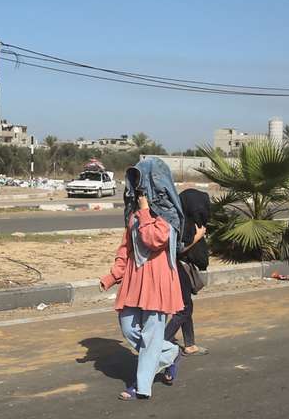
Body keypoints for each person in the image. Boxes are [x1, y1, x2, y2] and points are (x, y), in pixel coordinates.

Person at [100, 158, 184, 400]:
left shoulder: (169, 214)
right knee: (128, 326)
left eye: (141, 184)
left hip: (157, 282)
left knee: (151, 335)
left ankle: (140, 386)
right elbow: (126, 247)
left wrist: (145, 209)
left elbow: (153, 239)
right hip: (134, 282)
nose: (137, 190)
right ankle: (169, 353)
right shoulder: (135, 214)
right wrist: (113, 276)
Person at [166, 188, 211, 357]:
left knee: (186, 305)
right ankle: (160, 343)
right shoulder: (179, 223)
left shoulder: (185, 220)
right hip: (177, 266)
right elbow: (178, 248)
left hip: (181, 266)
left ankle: (190, 344)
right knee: (183, 309)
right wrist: (197, 237)